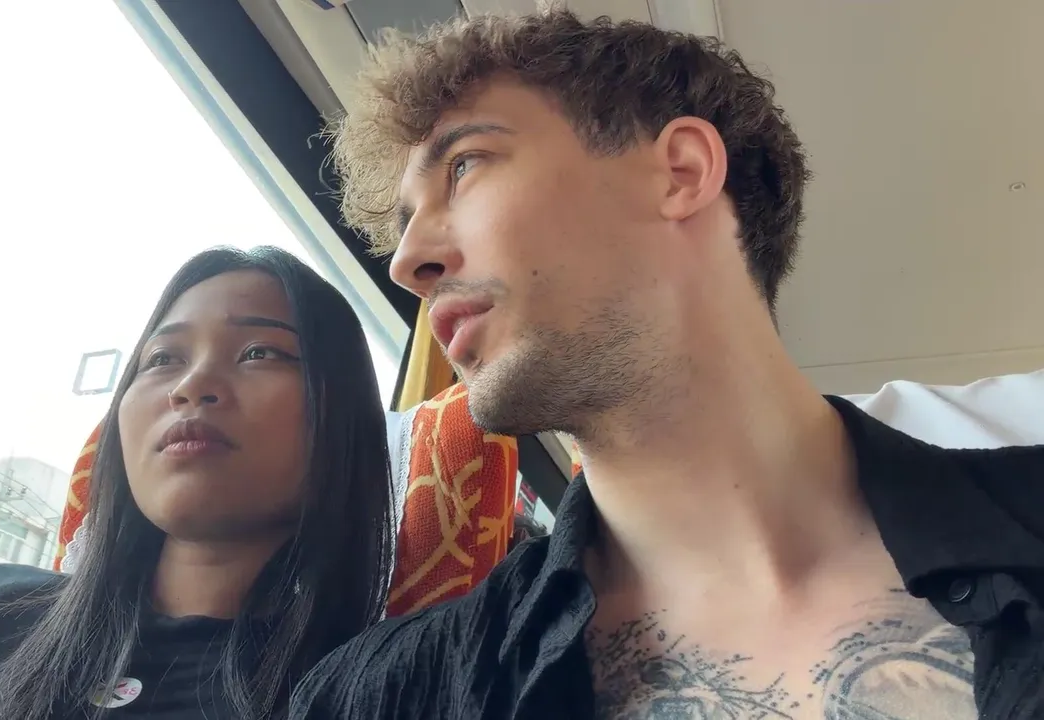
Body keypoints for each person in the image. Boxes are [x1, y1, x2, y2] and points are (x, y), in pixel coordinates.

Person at [288, 10, 1044, 720]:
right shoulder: (376, 697)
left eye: (462, 166)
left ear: (680, 172)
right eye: (403, 225)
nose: (407, 262)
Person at [0, 246, 396, 720]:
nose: (191, 386)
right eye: (163, 359)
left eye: (260, 352)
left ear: (341, 417)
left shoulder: (372, 685)